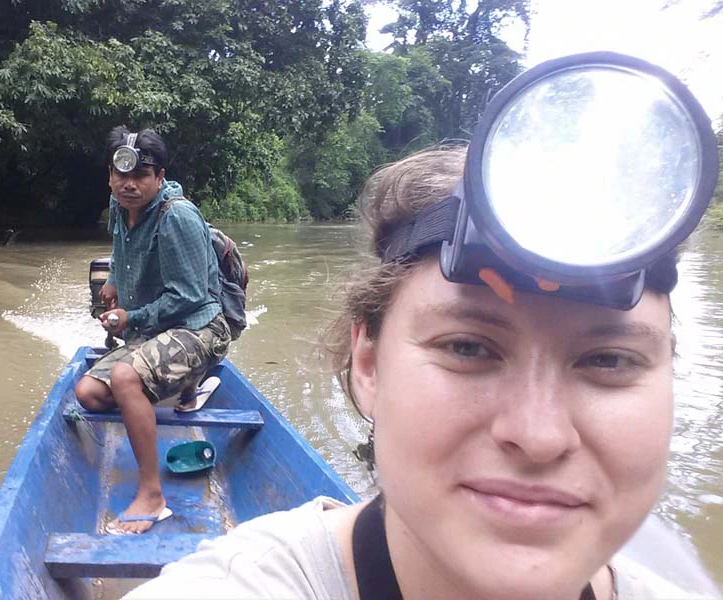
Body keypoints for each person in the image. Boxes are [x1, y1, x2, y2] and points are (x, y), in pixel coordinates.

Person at [124, 58, 718, 597]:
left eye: (608, 360)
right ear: (368, 364)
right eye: (467, 347)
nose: (539, 437)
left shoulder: (176, 218)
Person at [75, 126, 231, 534]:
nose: (128, 185)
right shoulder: (118, 204)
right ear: (110, 176)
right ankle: (168, 386)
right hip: (154, 331)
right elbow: (120, 248)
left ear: (159, 177)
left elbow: (192, 296)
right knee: (89, 394)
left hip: (199, 328)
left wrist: (131, 318)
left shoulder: (176, 217)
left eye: (140, 176)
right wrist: (112, 281)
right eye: (120, 175)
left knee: (126, 379)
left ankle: (152, 495)